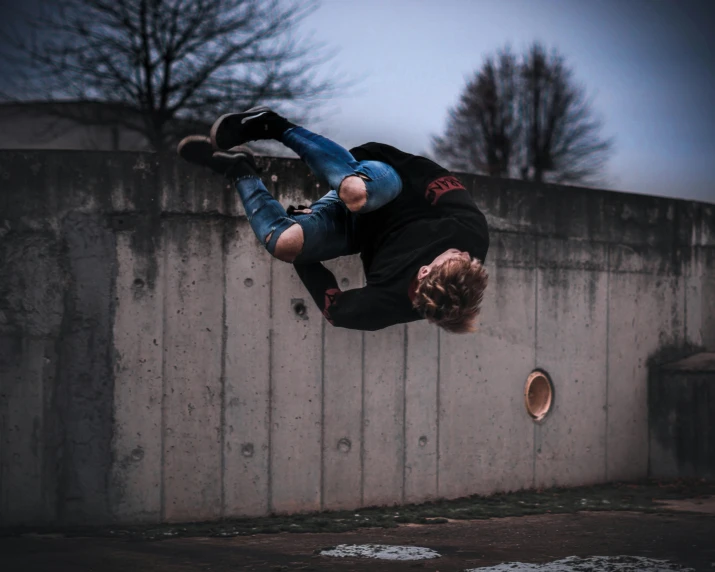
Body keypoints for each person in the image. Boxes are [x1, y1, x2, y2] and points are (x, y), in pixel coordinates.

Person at [177, 106, 489, 333]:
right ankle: (269, 124)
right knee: (356, 193)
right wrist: (355, 164)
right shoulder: (470, 232)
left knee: (285, 244)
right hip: (385, 182)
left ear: (423, 273)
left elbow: (334, 310)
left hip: (352, 228)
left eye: (454, 257)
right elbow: (423, 170)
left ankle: (240, 170)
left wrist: (303, 239)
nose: (461, 252)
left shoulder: (385, 306)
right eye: (463, 258)